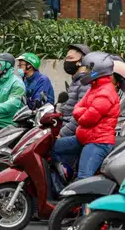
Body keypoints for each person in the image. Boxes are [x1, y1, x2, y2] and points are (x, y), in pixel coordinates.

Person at [51, 51, 120, 182]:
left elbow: (87, 119)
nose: (83, 71)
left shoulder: (106, 92)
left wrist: (80, 112)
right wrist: (81, 111)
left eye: (87, 68)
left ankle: (82, 202)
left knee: (83, 178)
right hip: (84, 137)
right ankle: (62, 180)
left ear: (97, 70)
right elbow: (78, 107)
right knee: (52, 147)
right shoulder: (94, 87)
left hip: (98, 142)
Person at [59, 44, 91, 138]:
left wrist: (62, 134)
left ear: (82, 61)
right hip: (64, 128)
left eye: (70, 58)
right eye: (66, 58)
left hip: (72, 134)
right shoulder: (75, 82)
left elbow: (79, 117)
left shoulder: (85, 84)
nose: (67, 61)